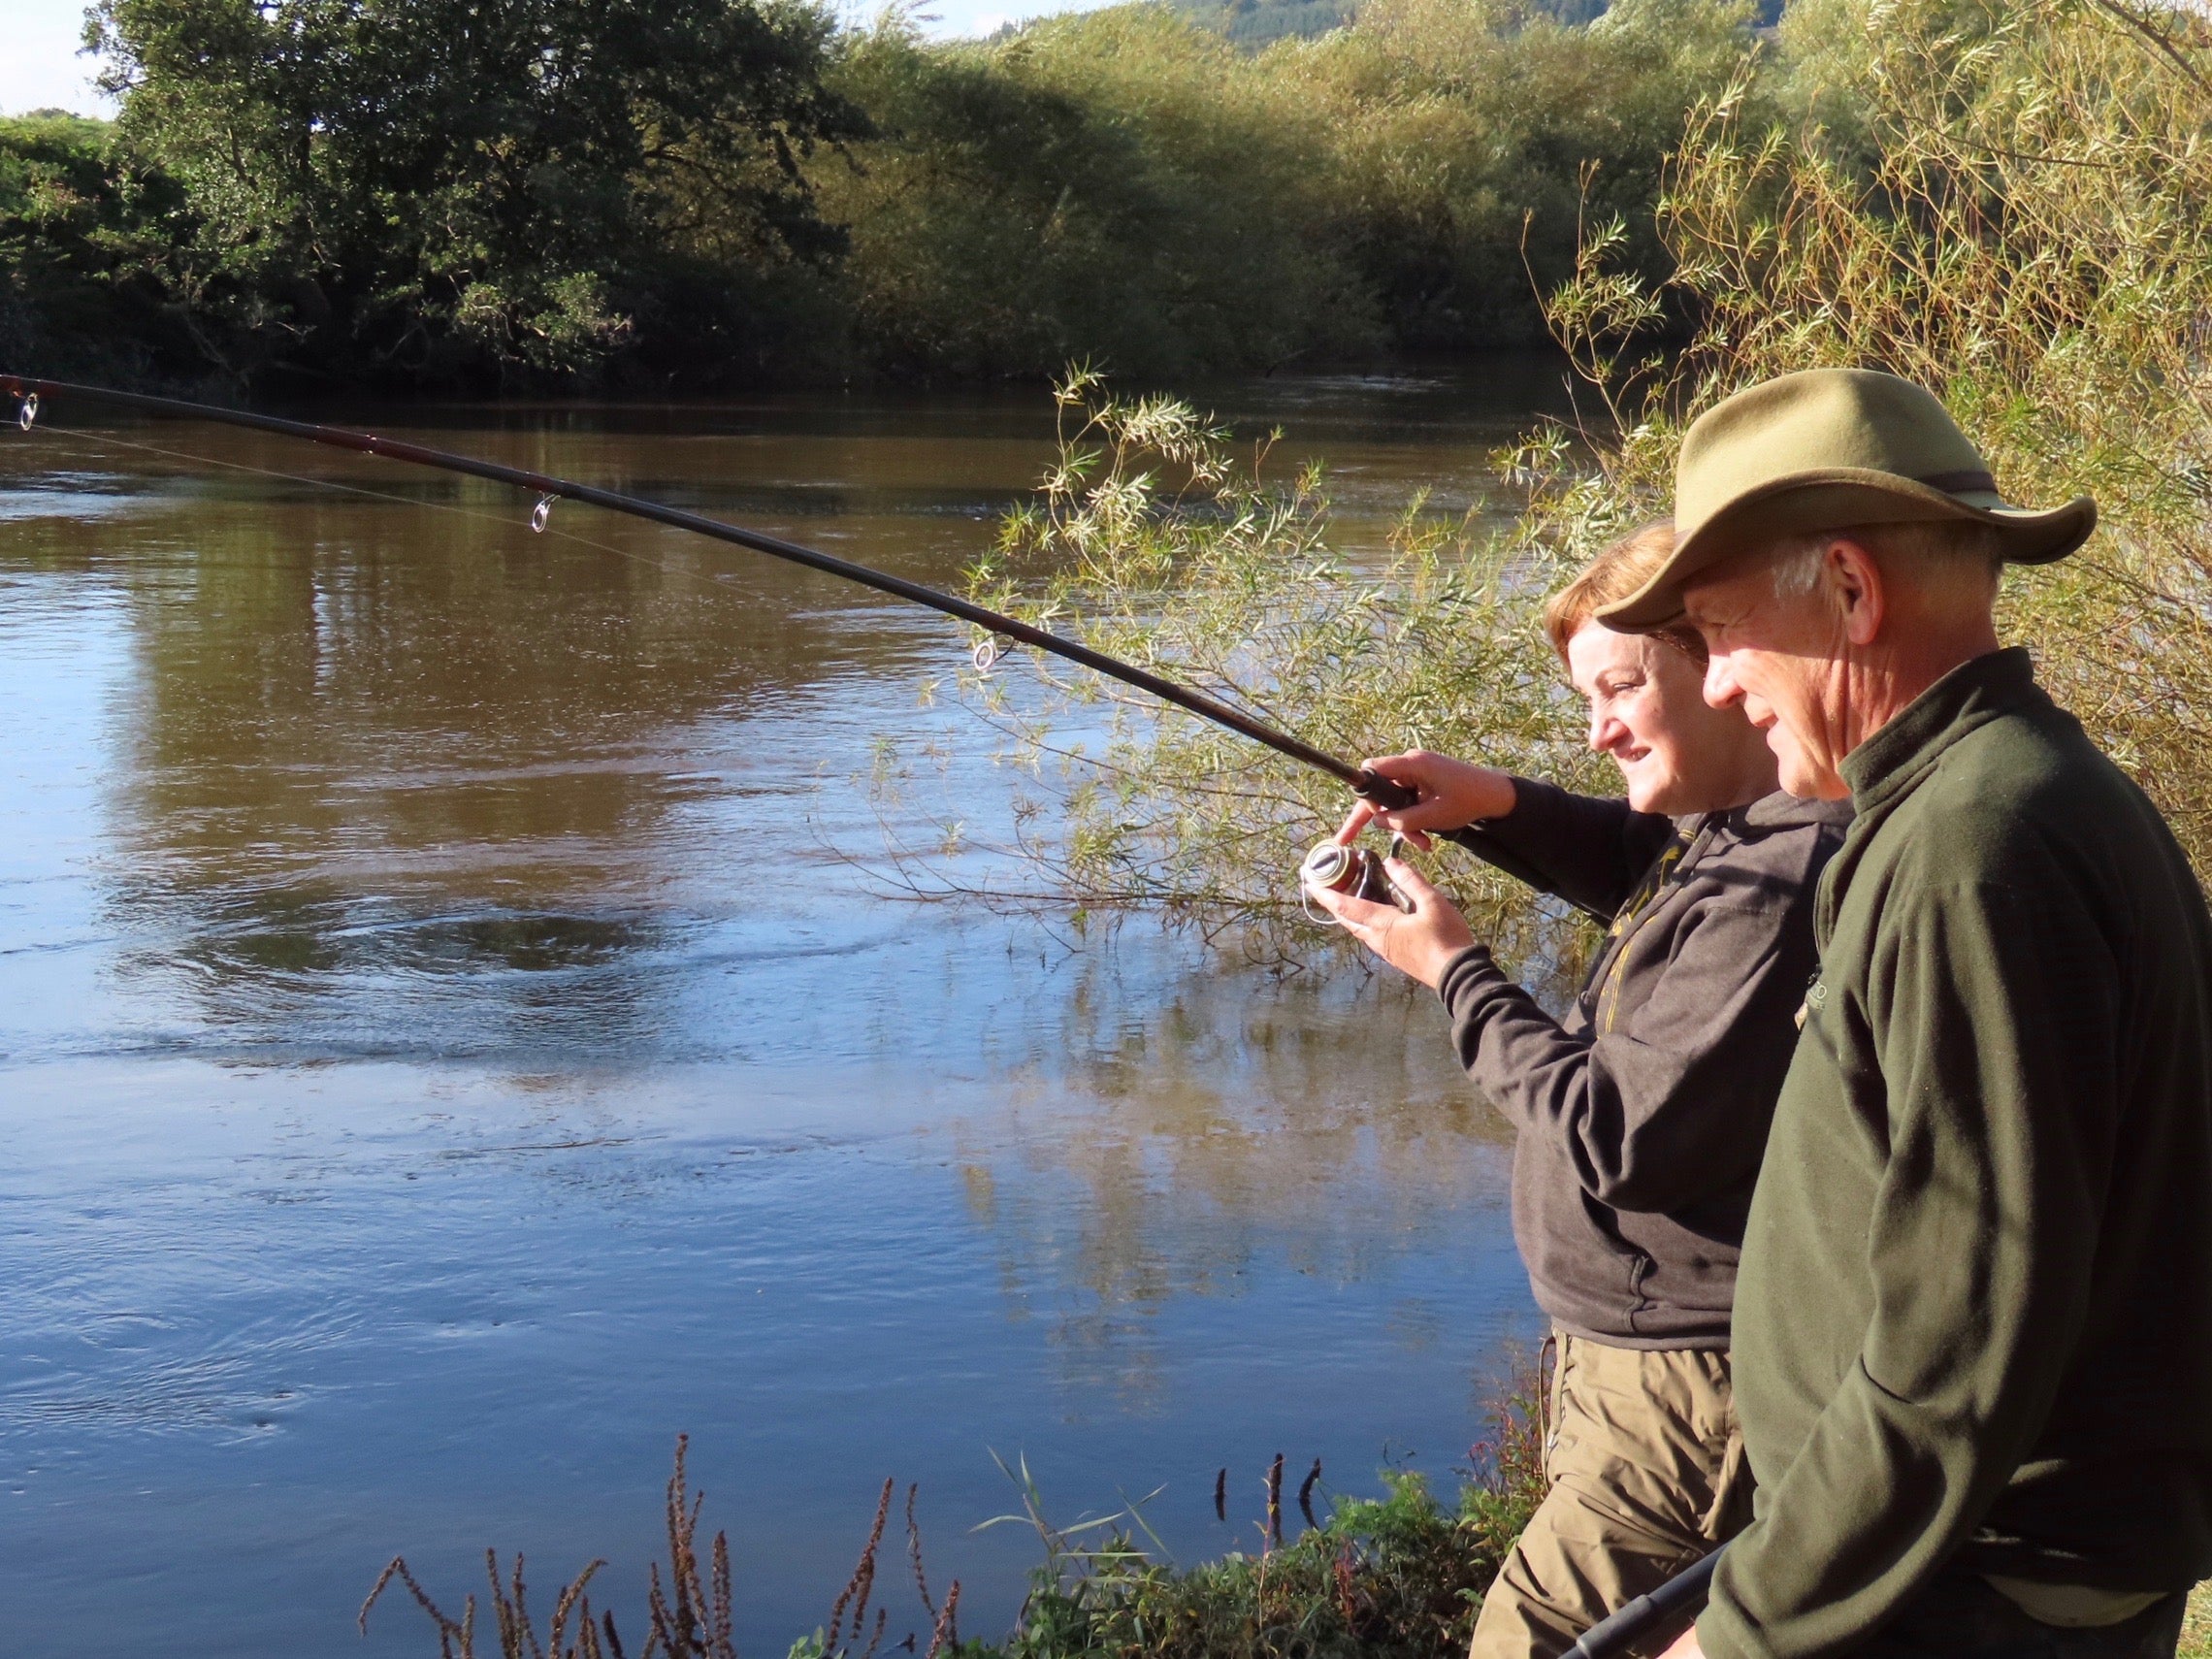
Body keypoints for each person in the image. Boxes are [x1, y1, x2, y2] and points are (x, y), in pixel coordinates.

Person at [1585, 368, 2212, 1659]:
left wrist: (1746, 1626)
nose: (1714, 685)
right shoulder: (1986, 798)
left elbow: (1961, 1338)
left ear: (1854, 592)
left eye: (1718, 630)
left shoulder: (1973, 849)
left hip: (1968, 1594)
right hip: (1936, 1563)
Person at [1309, 522, 1850, 1659]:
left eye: (1618, 689)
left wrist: (1451, 971)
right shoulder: (1738, 838)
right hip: (1638, 1368)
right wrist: (1497, 804)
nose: (1598, 729)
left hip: (1686, 1393)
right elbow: (1647, 866)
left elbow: (1618, 1136)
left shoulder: (1777, 878)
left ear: (1717, 665)